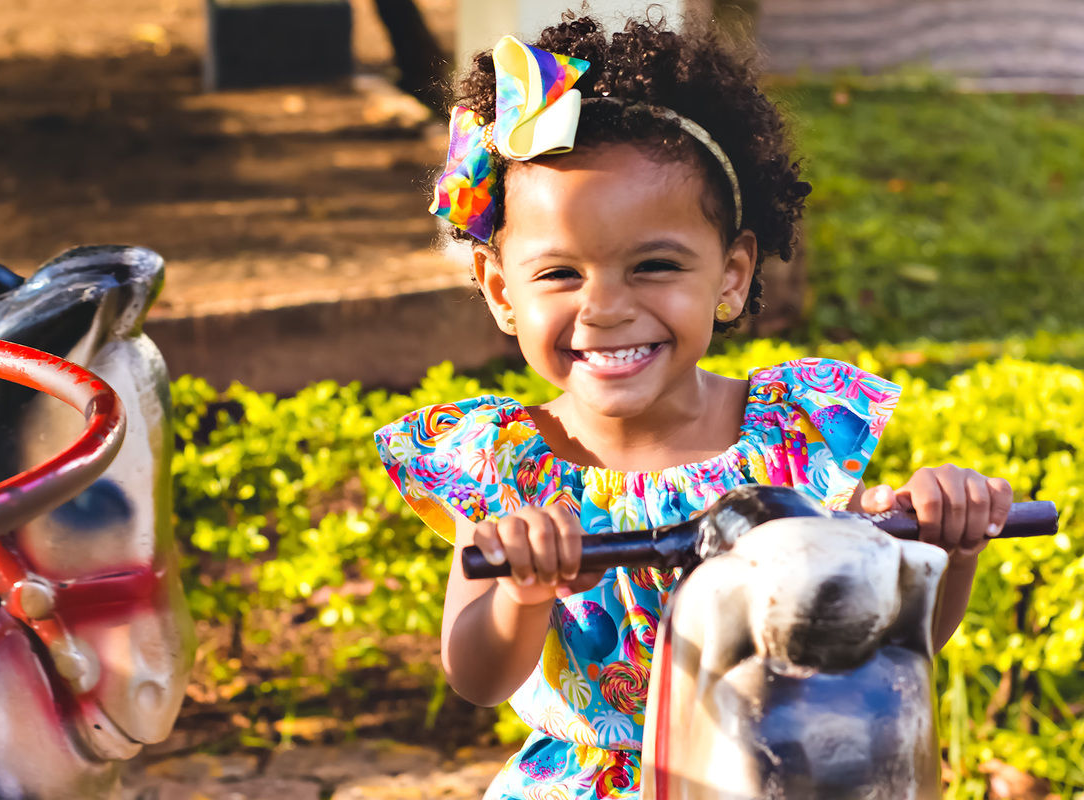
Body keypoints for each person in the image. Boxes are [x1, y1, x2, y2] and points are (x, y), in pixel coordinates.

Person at [374, 13, 1012, 799]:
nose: (605, 308)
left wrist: (951, 544)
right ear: (502, 291)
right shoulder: (509, 468)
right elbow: (475, 676)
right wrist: (522, 592)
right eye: (560, 275)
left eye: (653, 265)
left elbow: (886, 640)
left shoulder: (795, 438)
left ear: (732, 274)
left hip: (776, 771)